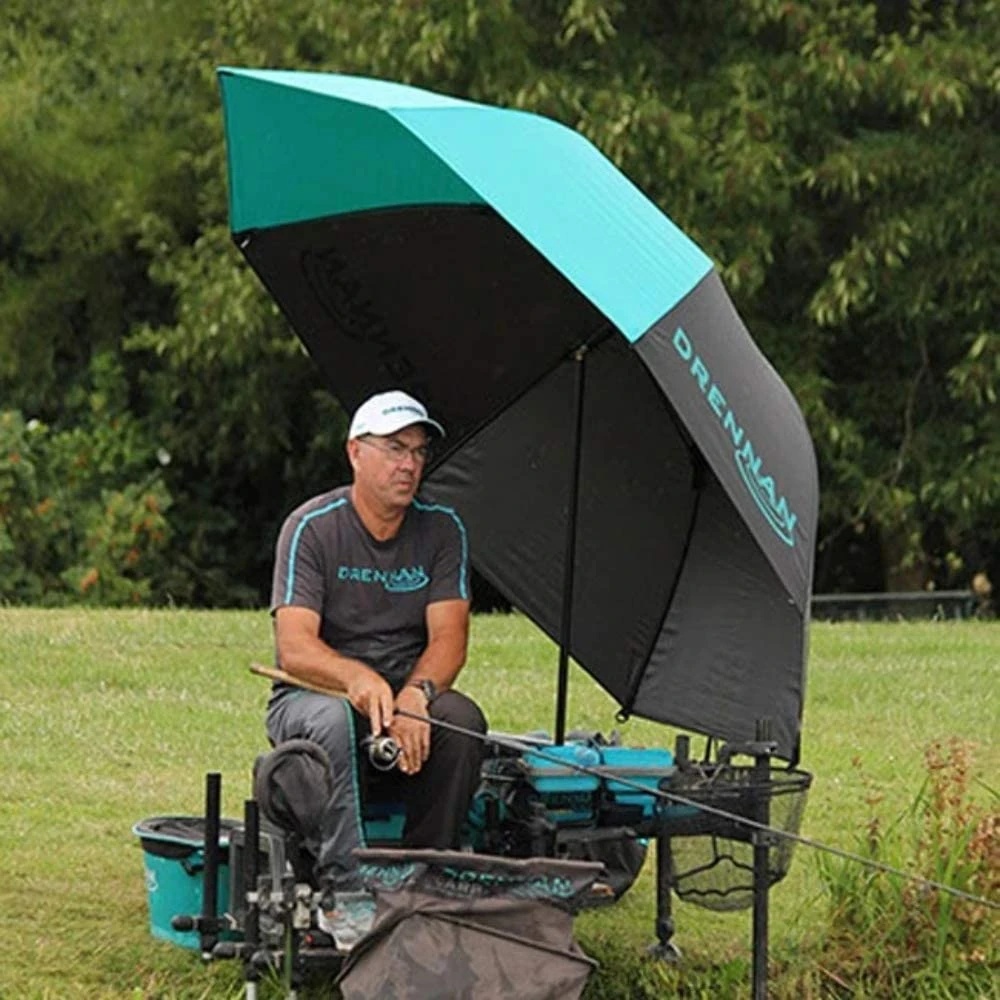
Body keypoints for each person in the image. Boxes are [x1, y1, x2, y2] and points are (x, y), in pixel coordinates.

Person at [265, 390, 487, 900]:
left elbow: (450, 639)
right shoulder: (309, 528)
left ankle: (426, 880)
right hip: (313, 695)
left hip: (405, 696)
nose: (409, 464)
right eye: (394, 448)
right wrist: (356, 678)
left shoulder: (443, 529)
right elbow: (295, 649)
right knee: (334, 720)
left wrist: (416, 695)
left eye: (418, 451)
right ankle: (346, 888)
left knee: (461, 720)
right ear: (355, 453)